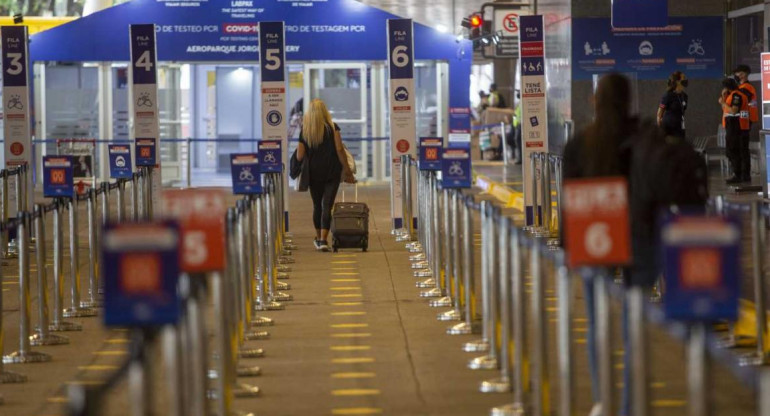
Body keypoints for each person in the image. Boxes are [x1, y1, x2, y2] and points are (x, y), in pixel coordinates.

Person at [563, 73, 638, 416]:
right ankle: (628, 406)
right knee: (632, 327)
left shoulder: (580, 143)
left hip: (594, 239)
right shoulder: (641, 139)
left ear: (595, 100)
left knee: (597, 323)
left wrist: (569, 246)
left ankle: (603, 401)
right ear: (628, 101)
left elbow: (569, 199)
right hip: (638, 240)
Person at [296, 99, 356, 251]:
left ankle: (318, 238)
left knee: (317, 205)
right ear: (324, 111)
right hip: (331, 172)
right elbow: (340, 150)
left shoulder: (305, 130)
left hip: (313, 174)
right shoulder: (332, 128)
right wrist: (347, 170)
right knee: (327, 205)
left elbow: (299, 156)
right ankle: (323, 240)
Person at [720, 77, 751, 184]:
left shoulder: (736, 95)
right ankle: (742, 174)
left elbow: (733, 110)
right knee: (736, 150)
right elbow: (727, 109)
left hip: (737, 126)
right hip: (735, 126)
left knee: (735, 150)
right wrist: (724, 99)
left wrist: (723, 103)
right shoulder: (731, 95)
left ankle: (739, 174)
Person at [735, 65, 759, 181]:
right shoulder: (746, 87)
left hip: (745, 120)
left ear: (743, 74)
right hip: (747, 119)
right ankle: (744, 174)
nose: (736, 75)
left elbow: (740, 102)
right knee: (742, 147)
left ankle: (745, 174)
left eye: (738, 73)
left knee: (742, 147)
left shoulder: (746, 87)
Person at [657, 71, 688, 139]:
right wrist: (661, 130)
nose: (685, 80)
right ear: (677, 81)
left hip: (680, 128)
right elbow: (659, 115)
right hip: (669, 130)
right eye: (683, 78)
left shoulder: (685, 96)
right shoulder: (668, 95)